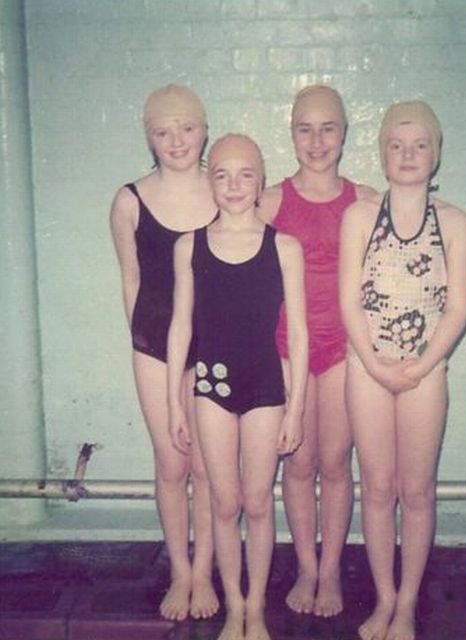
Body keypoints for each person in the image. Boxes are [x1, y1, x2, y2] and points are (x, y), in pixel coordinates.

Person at [339, 100, 466, 640]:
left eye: (420, 145)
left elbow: (457, 309)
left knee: (416, 492)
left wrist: (421, 364)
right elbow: (348, 301)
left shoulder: (455, 223)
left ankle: (408, 605)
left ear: (435, 154)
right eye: (397, 145)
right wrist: (376, 364)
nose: (408, 154)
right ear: (383, 154)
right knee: (376, 488)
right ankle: (384, 599)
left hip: (426, 371)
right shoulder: (359, 217)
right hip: (366, 368)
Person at [168, 133, 308, 640]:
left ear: (260, 180)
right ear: (210, 182)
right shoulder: (190, 246)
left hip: (266, 387)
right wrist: (174, 403)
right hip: (211, 387)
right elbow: (181, 326)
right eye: (222, 175)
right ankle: (233, 607)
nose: (233, 185)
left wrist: (296, 409)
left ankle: (256, 609)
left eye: (245, 174)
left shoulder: (284, 247)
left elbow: (299, 333)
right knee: (224, 504)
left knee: (258, 502)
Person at [258, 84, 377, 617]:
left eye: (328, 128)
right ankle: (306, 566)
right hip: (288, 351)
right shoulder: (270, 202)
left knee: (334, 463)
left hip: (345, 352)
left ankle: (330, 572)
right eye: (305, 129)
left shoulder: (366, 200)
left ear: (345, 134)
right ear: (292, 134)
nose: (317, 140)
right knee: (299, 462)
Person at [110, 84, 219, 621]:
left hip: (216, 344)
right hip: (155, 344)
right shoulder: (129, 200)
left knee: (207, 464)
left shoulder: (224, 189)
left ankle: (205, 571)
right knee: (172, 463)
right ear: (149, 138)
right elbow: (131, 282)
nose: (177, 140)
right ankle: (180, 569)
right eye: (163, 131)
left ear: (205, 130)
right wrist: (150, 345)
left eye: (187, 128)